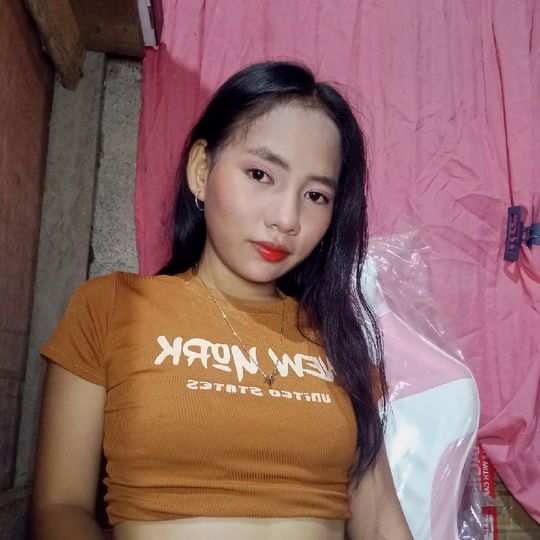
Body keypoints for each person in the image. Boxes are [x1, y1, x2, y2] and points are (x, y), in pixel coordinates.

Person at [32, 61, 412, 540]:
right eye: (260, 174)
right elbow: (60, 507)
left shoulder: (338, 336)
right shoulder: (111, 306)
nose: (287, 218)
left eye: (316, 195)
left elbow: (380, 523)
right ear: (200, 169)